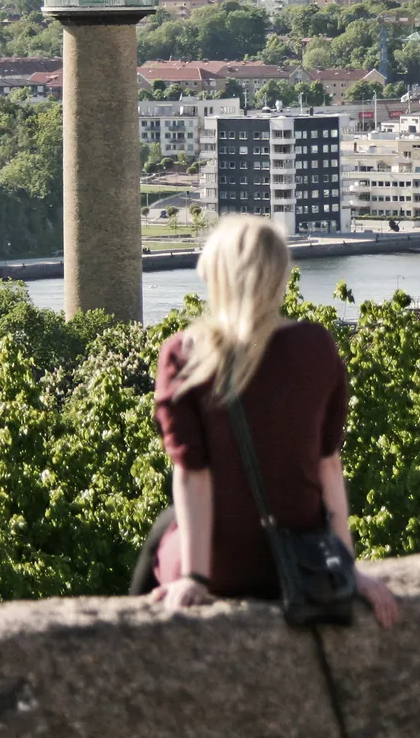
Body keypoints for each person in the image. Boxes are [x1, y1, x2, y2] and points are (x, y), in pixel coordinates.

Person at [134, 214, 398, 628]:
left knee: (162, 533)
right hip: (302, 563)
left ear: (217, 276)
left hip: (224, 569)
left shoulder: (185, 354)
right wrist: (345, 567)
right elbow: (328, 465)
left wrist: (196, 577)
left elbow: (193, 476)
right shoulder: (316, 347)